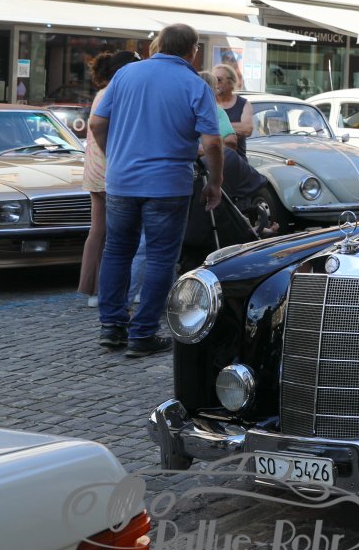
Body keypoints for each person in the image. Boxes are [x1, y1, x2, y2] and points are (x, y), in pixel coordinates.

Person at [91, 23, 223, 357]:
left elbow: (96, 123)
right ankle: (143, 334)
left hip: (122, 180)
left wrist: (114, 157)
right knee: (161, 258)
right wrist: (215, 182)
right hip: (168, 184)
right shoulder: (195, 84)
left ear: (159, 45)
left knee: (117, 251)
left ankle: (111, 328)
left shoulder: (125, 75)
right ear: (192, 50)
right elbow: (212, 143)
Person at [77, 50, 140, 306]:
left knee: (98, 231)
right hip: (112, 168)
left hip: (95, 168)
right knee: (118, 235)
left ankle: (93, 289)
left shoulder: (102, 92)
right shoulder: (116, 93)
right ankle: (113, 289)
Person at [212, 64, 253, 153]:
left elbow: (247, 129)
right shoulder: (207, 103)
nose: (215, 83)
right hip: (210, 157)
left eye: (219, 80)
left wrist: (213, 127)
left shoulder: (243, 104)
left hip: (236, 157)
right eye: (212, 80)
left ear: (231, 82)